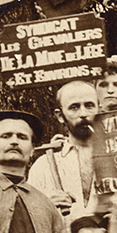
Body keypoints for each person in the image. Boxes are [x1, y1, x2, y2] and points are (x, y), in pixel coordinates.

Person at [28, 80, 99, 222]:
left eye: (89, 105)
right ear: (60, 115)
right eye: (74, 107)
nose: (83, 113)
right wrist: (45, 205)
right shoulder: (43, 166)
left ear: (100, 109)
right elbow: (29, 219)